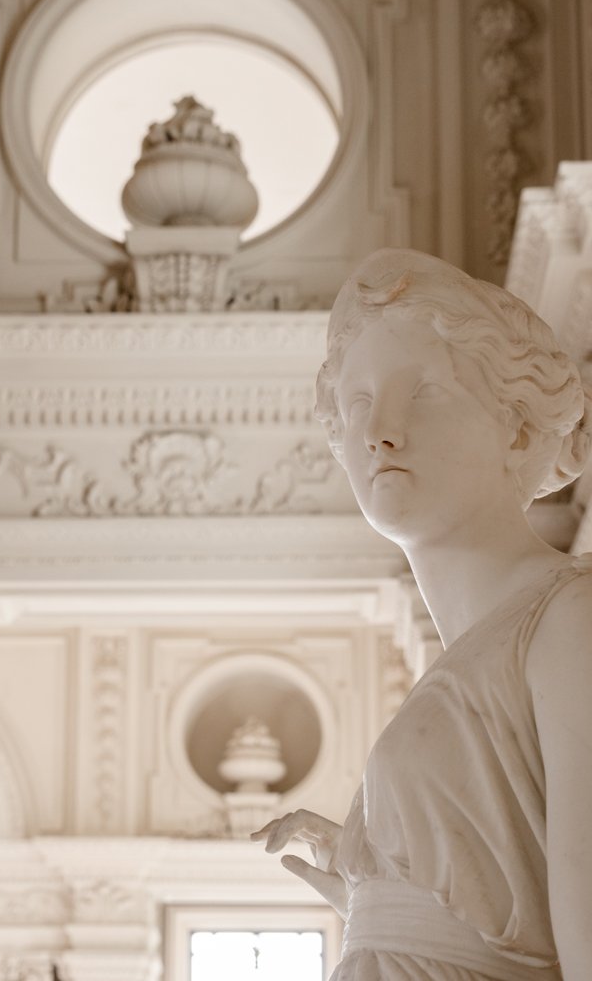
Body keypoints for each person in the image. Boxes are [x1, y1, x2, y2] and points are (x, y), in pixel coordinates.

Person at [252, 249, 592, 980]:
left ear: (521, 431)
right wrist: (381, 892)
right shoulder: (476, 652)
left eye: (425, 394)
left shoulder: (569, 621)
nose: (381, 431)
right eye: (358, 404)